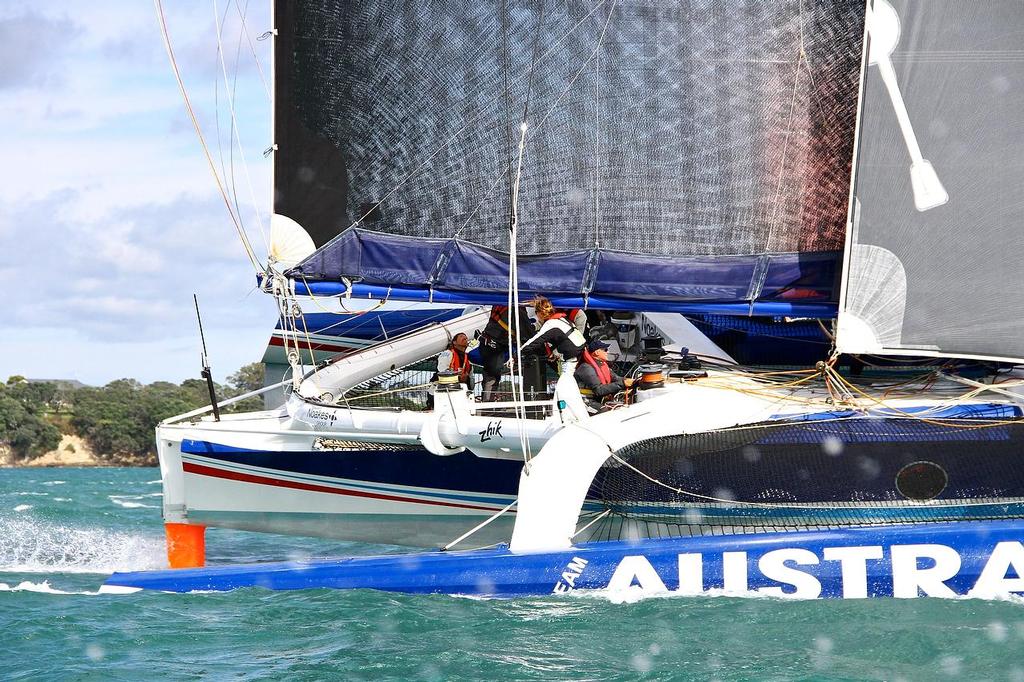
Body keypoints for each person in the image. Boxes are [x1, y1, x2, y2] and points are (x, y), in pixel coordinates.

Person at [478, 304, 534, 401]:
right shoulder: (517, 309)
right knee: (492, 377)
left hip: (492, 343)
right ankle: (487, 405)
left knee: (491, 377)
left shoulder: (502, 303)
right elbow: (527, 333)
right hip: (493, 345)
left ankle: (487, 404)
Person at [519, 296, 587, 375]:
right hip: (576, 352)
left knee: (567, 379)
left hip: (571, 356)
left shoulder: (551, 324)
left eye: (535, 312)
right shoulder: (561, 319)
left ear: (539, 313)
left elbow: (534, 342)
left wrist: (517, 355)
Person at [575, 339, 632, 413]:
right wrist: (622, 383)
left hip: (598, 399)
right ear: (597, 352)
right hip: (586, 401)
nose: (607, 352)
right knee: (605, 411)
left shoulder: (603, 365)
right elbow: (599, 390)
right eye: (605, 350)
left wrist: (631, 381)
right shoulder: (586, 368)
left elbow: (616, 378)